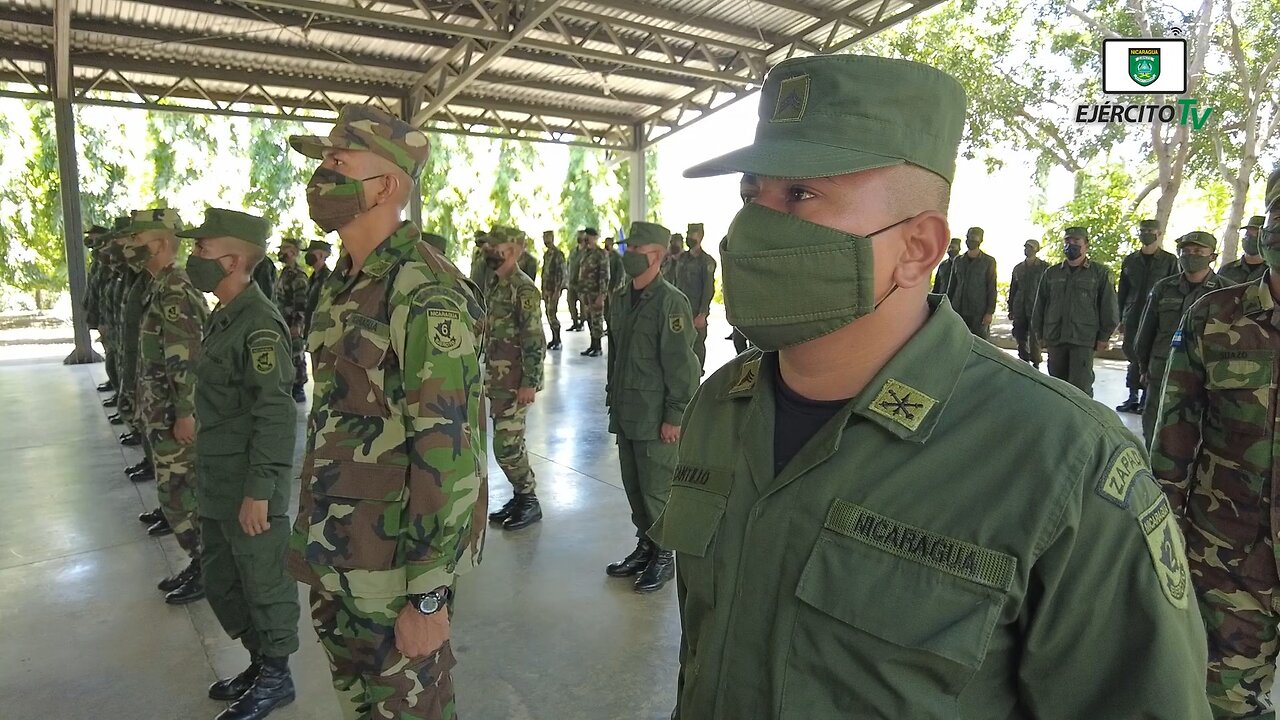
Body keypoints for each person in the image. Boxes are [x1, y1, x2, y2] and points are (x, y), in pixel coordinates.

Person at [660, 53, 1211, 719]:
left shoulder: (1061, 462)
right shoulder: (720, 405)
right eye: (753, 194)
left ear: (918, 246)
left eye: (800, 194)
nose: (751, 227)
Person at [284, 105, 486, 719]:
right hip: (338, 557)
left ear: (388, 186)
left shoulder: (422, 289)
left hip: (393, 575)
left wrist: (428, 595)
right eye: (322, 162)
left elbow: (448, 449)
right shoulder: (344, 281)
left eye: (339, 163)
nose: (322, 175)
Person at [1151, 168, 1280, 718]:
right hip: (1228, 556)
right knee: (1221, 704)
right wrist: (1164, 539)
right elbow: (1173, 439)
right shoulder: (1212, 315)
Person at [182, 207, 301, 720]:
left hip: (250, 484)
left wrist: (260, 489)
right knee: (220, 579)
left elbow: (275, 413)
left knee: (263, 581)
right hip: (218, 478)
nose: (194, 257)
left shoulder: (260, 324)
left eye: (203, 249)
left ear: (231, 260)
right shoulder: (225, 315)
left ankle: (277, 676)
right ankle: (259, 660)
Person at [605, 222, 698, 593]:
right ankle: (645, 546)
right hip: (627, 411)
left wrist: (675, 416)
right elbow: (616, 356)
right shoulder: (620, 297)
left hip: (655, 416)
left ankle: (664, 555)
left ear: (656, 256)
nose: (627, 256)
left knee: (657, 491)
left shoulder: (671, 302)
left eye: (636, 250)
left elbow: (682, 366)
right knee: (634, 488)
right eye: (628, 249)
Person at [124, 208, 210, 605]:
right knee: (176, 497)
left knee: (181, 499)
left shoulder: (176, 290)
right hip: (161, 411)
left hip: (176, 416)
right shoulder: (161, 286)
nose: (130, 249)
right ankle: (201, 562)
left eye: (137, 242)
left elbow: (186, 358)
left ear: (159, 244)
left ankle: (207, 567)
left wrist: (186, 413)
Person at [478, 227, 547, 531]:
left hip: (518, 380)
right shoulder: (495, 284)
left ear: (515, 251)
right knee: (513, 443)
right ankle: (521, 496)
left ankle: (529, 499)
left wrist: (529, 382)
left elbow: (534, 338)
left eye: (497, 247)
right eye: (489, 247)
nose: (490, 251)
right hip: (499, 378)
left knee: (505, 447)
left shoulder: (524, 288)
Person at [1133, 231, 1225, 448]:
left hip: (1206, 374)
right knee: (1154, 426)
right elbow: (1146, 332)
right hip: (1162, 369)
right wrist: (1143, 366)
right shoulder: (1163, 288)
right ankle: (1152, 475)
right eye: (1185, 251)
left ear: (1212, 256)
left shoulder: (1225, 291)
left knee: (1199, 430)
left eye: (1198, 251)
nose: (1191, 256)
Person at [1032, 226, 1120, 397]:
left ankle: (1082, 422)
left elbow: (1109, 307)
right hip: (1055, 337)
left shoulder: (1099, 273)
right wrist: (1039, 334)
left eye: (1076, 241)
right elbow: (1040, 305)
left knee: (1081, 388)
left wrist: (1104, 336)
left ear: (1086, 245)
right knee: (1056, 386)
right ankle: (1059, 421)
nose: (1071, 245)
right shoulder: (1052, 273)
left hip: (1083, 339)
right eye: (1067, 241)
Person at [1116, 219, 1179, 414]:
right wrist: (1120, 318)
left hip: (1157, 317)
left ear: (1159, 234)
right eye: (1142, 230)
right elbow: (1123, 291)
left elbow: (1175, 289)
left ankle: (1146, 397)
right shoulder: (1130, 260)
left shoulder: (1170, 261)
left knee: (1151, 356)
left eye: (1150, 231)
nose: (1145, 234)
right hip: (1133, 315)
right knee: (1132, 356)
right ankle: (1132, 396)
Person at [673, 223, 717, 372]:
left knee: (697, 345)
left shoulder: (707, 261)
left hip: (696, 310)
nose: (689, 237)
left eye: (693, 234)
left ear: (700, 236)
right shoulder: (681, 258)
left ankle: (697, 374)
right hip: (679, 309)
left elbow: (708, 288)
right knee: (678, 343)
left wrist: (702, 314)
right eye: (688, 233)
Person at [273, 238, 310, 402]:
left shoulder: (298, 275)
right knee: (287, 354)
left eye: (285, 249)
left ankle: (299, 387)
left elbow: (301, 302)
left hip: (292, 321)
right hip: (283, 320)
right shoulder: (284, 273)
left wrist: (297, 323)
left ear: (294, 252)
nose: (281, 252)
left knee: (297, 354)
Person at [945, 226, 996, 338]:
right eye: (968, 238)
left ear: (980, 241)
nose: (970, 241)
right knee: (957, 340)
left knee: (980, 343)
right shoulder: (958, 261)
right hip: (958, 309)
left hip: (979, 311)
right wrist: (947, 308)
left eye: (974, 238)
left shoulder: (988, 262)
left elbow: (991, 287)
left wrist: (989, 312)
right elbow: (951, 286)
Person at [1008, 239, 1047, 369]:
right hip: (1020, 307)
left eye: (1030, 247)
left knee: (1035, 337)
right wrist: (1011, 308)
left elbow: (1048, 290)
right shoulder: (1018, 268)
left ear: (1036, 249)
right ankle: (1023, 361)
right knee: (1020, 336)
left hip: (1037, 308)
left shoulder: (1044, 268)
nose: (1027, 250)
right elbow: (1013, 289)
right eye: (1026, 247)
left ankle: (1036, 362)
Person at [578, 227, 610, 357]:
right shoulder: (585, 253)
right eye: (585, 237)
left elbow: (605, 275)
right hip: (586, 293)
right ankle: (592, 345)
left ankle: (598, 347)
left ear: (595, 238)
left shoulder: (601, 254)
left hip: (596, 292)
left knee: (597, 319)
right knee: (589, 319)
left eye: (589, 237)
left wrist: (602, 294)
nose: (586, 239)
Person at [1218, 215, 1269, 285]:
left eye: (1257, 235)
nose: (1249, 239)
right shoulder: (1226, 270)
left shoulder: (1274, 271)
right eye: (1248, 234)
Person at [541, 230, 567, 350]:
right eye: (544, 238)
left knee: (552, 313)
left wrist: (558, 290)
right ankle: (553, 338)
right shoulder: (546, 255)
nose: (546, 240)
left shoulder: (558, 254)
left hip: (554, 290)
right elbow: (544, 273)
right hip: (547, 289)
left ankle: (558, 339)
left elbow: (561, 274)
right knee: (548, 313)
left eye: (548, 237)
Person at [302, 239, 332, 340]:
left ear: (320, 255)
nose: (308, 256)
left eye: (311, 253)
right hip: (311, 331)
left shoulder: (329, 279)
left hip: (322, 333)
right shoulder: (312, 278)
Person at [566, 230, 585, 331]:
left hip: (581, 283)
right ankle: (574, 322)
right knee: (570, 302)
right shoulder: (573, 251)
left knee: (583, 304)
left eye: (581, 236)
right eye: (578, 236)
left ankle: (582, 322)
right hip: (571, 282)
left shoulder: (586, 252)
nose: (579, 238)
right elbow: (568, 264)